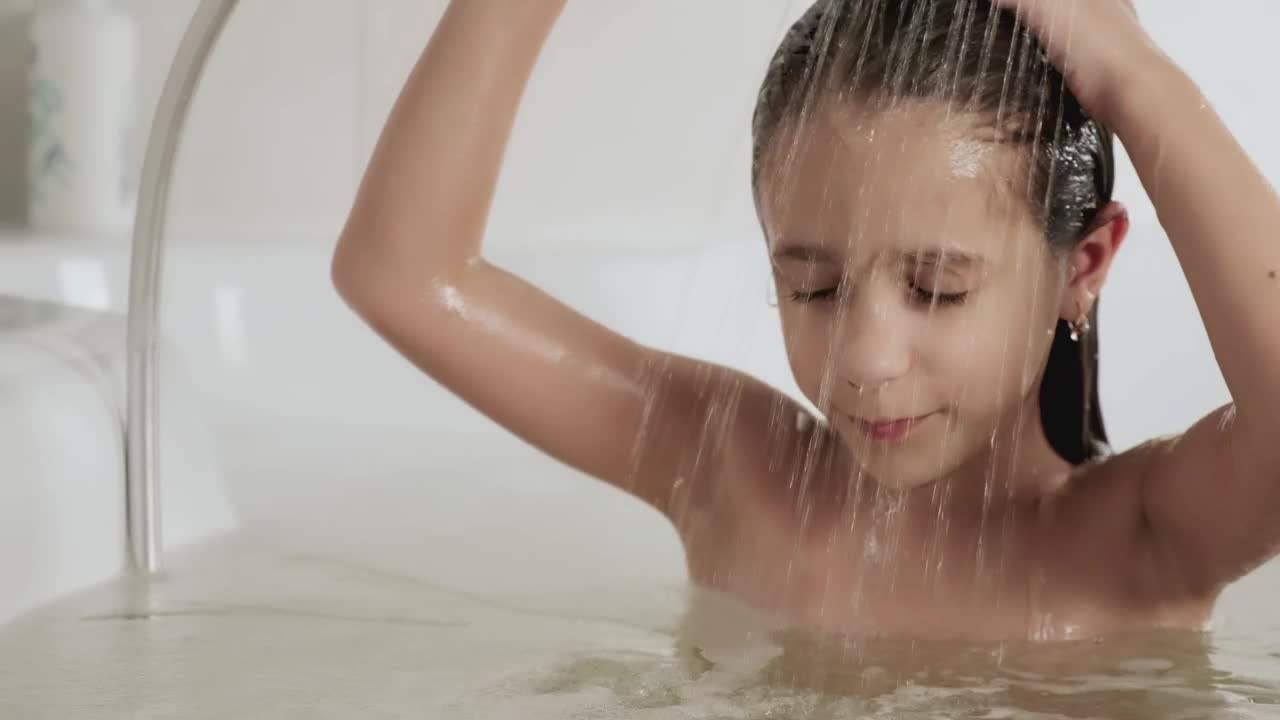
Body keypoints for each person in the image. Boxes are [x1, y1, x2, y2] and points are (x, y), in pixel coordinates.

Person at [331, 0, 1280, 642]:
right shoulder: (731, 468)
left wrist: (1135, 77)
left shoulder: (1144, 543)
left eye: (937, 289)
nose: (864, 360)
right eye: (814, 288)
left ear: (1085, 266)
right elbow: (404, 275)